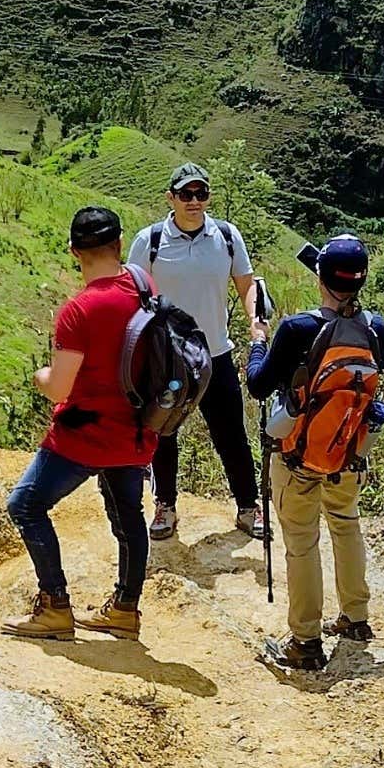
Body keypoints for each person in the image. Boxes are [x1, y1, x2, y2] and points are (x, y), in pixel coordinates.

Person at [5, 206, 160, 641]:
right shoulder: (144, 286)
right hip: (135, 431)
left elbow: (59, 388)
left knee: (25, 506)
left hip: (84, 436)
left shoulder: (80, 309)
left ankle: (55, 605)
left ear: (75, 251)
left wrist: (40, 377)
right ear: (118, 244)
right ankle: (125, 610)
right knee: (129, 515)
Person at [246, 234, 384, 672]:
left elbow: (258, 385)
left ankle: (306, 641)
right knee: (346, 526)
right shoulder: (374, 327)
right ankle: (355, 616)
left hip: (297, 453)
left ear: (321, 277)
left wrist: (258, 339)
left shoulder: (298, 329)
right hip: (348, 450)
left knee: (301, 543)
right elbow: (379, 364)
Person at [130, 162, 265, 543]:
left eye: (200, 194)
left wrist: (257, 321)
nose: (194, 201)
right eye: (186, 194)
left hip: (216, 353)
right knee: (163, 431)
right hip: (166, 356)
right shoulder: (150, 240)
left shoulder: (225, 235)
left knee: (231, 434)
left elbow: (246, 284)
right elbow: (132, 293)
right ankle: (166, 506)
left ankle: (247, 507)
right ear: (170, 197)